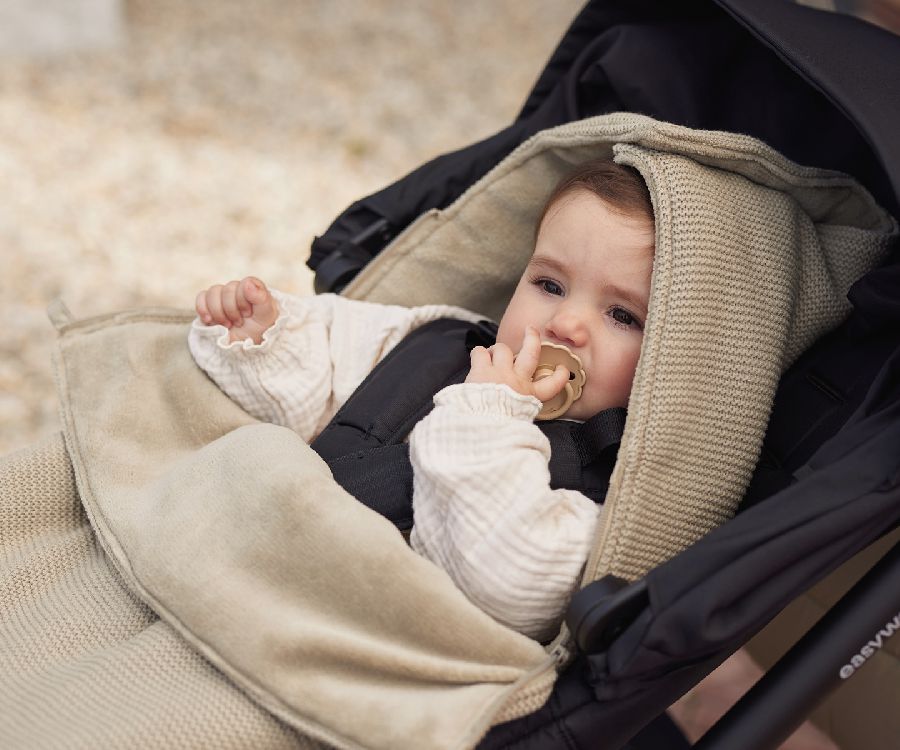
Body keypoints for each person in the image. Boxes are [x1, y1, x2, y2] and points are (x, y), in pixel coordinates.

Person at [189, 159, 655, 641]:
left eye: (622, 315)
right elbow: (324, 379)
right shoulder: (451, 345)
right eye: (549, 285)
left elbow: (518, 588)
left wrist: (490, 421)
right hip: (262, 552)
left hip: (366, 632)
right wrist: (267, 339)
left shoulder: (610, 488)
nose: (565, 323)